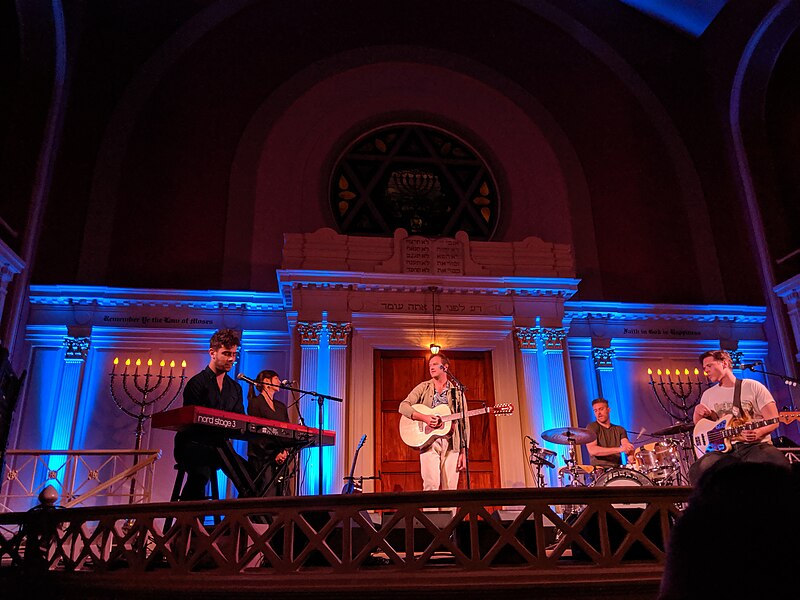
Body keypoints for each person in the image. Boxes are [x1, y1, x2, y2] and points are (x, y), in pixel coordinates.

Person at [688, 349, 788, 484]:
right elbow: (701, 428)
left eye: (709, 366)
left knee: (777, 464)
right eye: (704, 367)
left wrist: (758, 432)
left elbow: (773, 420)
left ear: (723, 363)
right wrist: (697, 413)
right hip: (723, 451)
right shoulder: (708, 394)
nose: (705, 370)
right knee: (701, 468)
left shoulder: (753, 386)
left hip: (755, 446)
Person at [173, 328, 249, 501]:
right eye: (226, 353)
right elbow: (193, 424)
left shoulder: (234, 388)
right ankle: (184, 524)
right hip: (192, 445)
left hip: (219, 448)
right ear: (212, 353)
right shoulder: (197, 383)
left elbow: (239, 420)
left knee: (249, 475)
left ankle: (242, 523)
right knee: (201, 473)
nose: (231, 359)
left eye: (234, 354)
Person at [398, 353, 469, 491]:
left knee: (451, 489)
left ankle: (451, 514)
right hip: (429, 442)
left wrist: (463, 452)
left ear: (445, 367)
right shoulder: (424, 387)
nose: (431, 367)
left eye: (435, 364)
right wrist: (424, 418)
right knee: (431, 486)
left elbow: (465, 423)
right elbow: (403, 406)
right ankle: (430, 513)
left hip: (452, 443)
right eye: (430, 365)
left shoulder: (457, 392)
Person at [247, 369, 290, 496]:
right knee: (265, 492)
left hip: (280, 458)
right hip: (262, 457)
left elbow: (287, 431)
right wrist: (274, 453)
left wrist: (285, 451)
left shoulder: (281, 406)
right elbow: (257, 432)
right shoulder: (255, 403)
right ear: (267, 382)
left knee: (283, 493)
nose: (280, 381)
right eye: (276, 378)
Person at [585, 398, 634, 468]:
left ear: (608, 410)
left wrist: (631, 456)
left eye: (601, 409)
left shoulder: (620, 429)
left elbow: (626, 445)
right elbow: (592, 450)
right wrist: (619, 449)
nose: (598, 413)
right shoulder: (591, 427)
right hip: (599, 470)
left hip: (617, 468)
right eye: (595, 411)